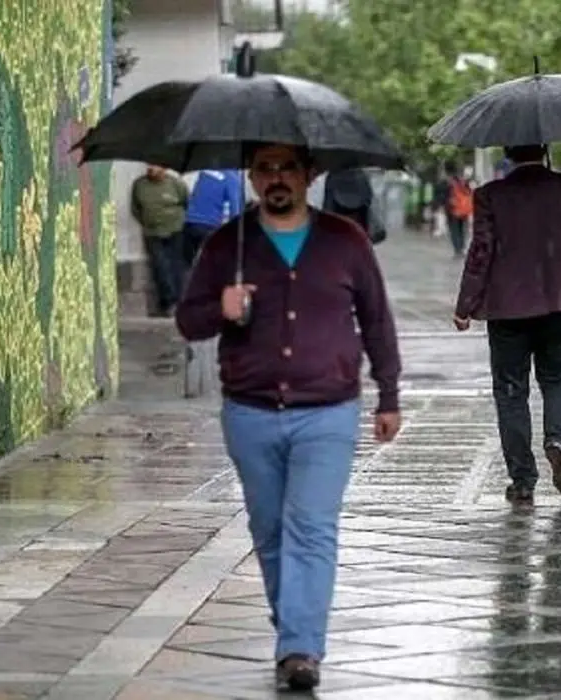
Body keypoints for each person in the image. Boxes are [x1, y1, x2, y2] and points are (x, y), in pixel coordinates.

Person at [174, 143, 402, 692]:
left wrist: (388, 394)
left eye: (288, 168)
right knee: (270, 530)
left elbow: (376, 317)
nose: (276, 179)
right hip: (250, 413)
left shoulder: (345, 241)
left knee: (311, 526)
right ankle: (293, 629)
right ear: (252, 178)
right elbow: (188, 320)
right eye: (265, 169)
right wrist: (220, 309)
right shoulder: (228, 245)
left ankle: (300, 647)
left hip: (328, 411)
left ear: (309, 175)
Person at [452, 143, 561, 506]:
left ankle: (522, 480)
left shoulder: (491, 195)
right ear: (546, 148)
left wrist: (465, 305)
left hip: (507, 310)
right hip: (560, 302)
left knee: (510, 393)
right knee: (559, 380)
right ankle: (557, 441)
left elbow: (481, 253)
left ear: (508, 151)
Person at [131, 164, 189, 315]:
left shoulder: (176, 183)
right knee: (160, 266)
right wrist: (146, 222)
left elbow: (185, 202)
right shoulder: (140, 185)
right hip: (152, 232)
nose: (151, 169)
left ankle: (180, 301)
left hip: (175, 230)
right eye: (149, 166)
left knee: (176, 265)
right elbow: (135, 208)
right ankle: (168, 302)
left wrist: (177, 220)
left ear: (164, 168)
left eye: (155, 166)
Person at [181, 169, 244, 269]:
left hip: (190, 223)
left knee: (190, 265)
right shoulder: (231, 177)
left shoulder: (204, 172)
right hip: (210, 226)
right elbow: (235, 209)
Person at [322, 168, 386, 244]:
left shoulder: (332, 175)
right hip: (359, 225)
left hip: (340, 224)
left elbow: (328, 206)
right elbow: (368, 199)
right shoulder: (362, 175)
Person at [432, 161, 472, 257]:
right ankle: (462, 248)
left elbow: (441, 196)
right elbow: (469, 192)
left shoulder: (446, 181)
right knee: (462, 229)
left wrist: (437, 206)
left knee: (454, 230)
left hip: (452, 209)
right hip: (464, 209)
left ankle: (457, 250)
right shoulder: (461, 180)